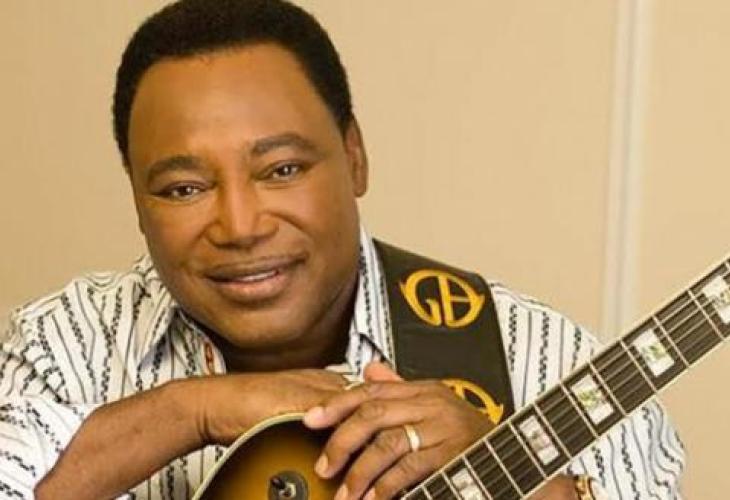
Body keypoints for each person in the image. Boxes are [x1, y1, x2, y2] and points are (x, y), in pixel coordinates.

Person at [0, 1, 685, 499]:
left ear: (355, 157)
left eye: (282, 170)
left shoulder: (546, 364)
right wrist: (196, 410)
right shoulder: (64, 345)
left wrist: (527, 487)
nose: (240, 225)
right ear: (136, 197)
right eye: (184, 188)